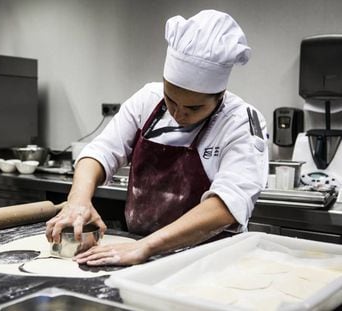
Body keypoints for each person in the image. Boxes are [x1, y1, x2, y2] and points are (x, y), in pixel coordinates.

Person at [46, 9, 269, 266]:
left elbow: (227, 206)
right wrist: (78, 201)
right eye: (171, 99)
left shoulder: (241, 122)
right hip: (138, 253)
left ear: (220, 95)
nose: (179, 113)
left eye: (194, 108)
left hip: (209, 261)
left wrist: (147, 246)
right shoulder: (147, 100)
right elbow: (101, 152)